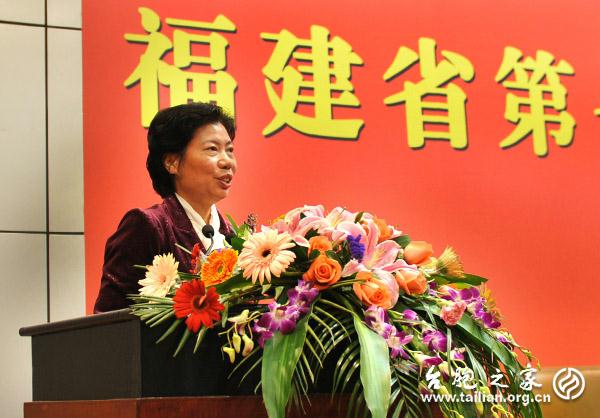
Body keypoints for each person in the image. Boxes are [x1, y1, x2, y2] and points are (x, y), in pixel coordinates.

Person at [94, 102, 237, 313]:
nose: (227, 162)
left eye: (230, 150)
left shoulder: (232, 237)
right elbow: (109, 321)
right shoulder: (148, 227)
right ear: (172, 163)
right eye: (212, 149)